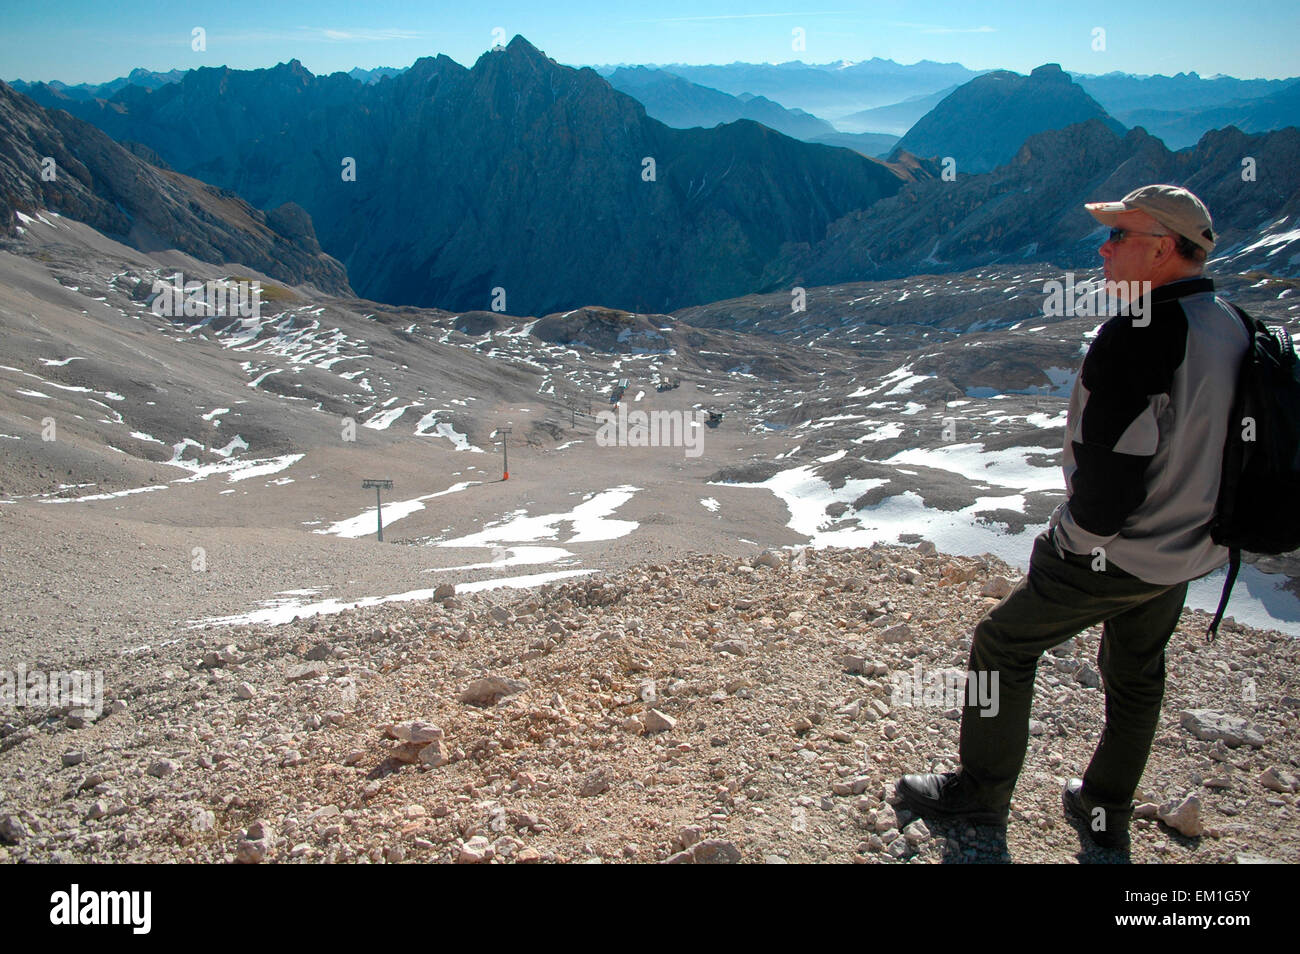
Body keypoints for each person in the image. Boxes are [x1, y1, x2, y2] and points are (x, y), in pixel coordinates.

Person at [894, 184, 1248, 850]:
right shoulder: (1232, 323)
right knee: (1138, 671)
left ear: (1164, 247)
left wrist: (1069, 544)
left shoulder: (1138, 336)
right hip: (1192, 547)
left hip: (1122, 550)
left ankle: (979, 795)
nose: (1103, 249)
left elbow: (1110, 478)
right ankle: (1104, 810)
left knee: (1003, 643)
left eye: (1119, 237)